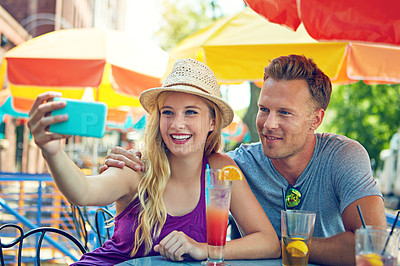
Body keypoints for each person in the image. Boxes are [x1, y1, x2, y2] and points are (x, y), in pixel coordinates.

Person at [100, 55, 387, 265]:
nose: (268, 124)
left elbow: (372, 247)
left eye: (284, 113)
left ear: (316, 119)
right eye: (264, 109)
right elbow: (182, 160)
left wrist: (285, 245)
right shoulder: (233, 166)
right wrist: (138, 159)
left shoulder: (344, 156)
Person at [27, 58, 280, 265]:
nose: (177, 124)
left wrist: (205, 249)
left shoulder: (221, 170)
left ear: (212, 122)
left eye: (190, 112)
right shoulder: (136, 167)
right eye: (167, 112)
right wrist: (52, 151)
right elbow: (83, 191)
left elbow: (269, 242)